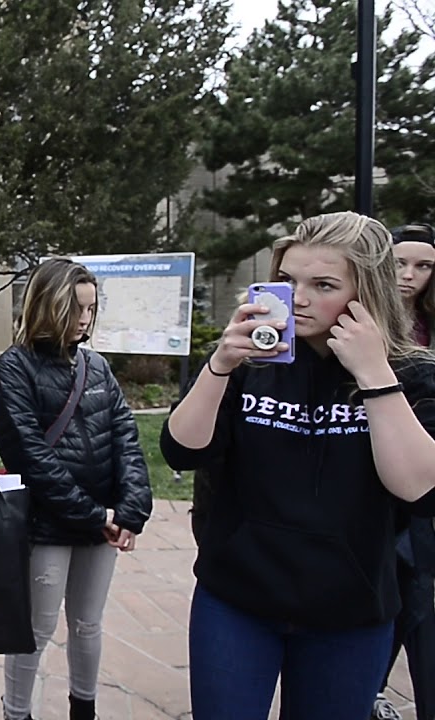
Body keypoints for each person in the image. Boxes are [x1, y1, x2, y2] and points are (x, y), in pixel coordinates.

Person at [161, 211, 435, 719]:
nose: (299, 297)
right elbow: (182, 451)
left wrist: (374, 374)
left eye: (323, 284)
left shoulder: (412, 375)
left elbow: (418, 490)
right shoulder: (251, 362)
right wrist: (220, 364)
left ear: (365, 293)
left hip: (351, 610)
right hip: (238, 600)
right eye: (288, 280)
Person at [0, 258, 152, 720]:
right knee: (35, 630)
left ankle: (85, 709)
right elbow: (29, 457)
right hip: (47, 526)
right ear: (48, 305)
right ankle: (16, 713)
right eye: (74, 308)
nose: (83, 319)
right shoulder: (15, 368)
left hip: (101, 523)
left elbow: (126, 437)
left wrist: (132, 509)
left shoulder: (96, 367)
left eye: (91, 309)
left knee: (87, 623)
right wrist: (95, 515)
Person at [372, 222, 435, 720]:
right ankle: (366, 692)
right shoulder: (363, 325)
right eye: (399, 263)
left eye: (423, 265)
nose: (409, 275)